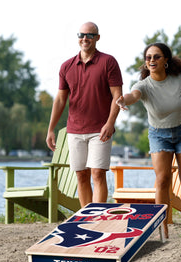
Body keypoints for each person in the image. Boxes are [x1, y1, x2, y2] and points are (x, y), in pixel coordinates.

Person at [116, 43, 181, 238]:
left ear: (165, 60)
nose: (152, 60)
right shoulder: (143, 85)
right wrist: (123, 100)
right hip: (159, 135)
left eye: (156, 57)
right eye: (148, 58)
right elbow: (133, 96)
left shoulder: (179, 80)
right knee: (162, 179)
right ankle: (162, 227)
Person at [46, 22, 123, 208]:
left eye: (90, 35)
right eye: (81, 34)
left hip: (100, 129)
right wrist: (50, 130)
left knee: (97, 173)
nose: (85, 38)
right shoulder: (67, 66)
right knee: (81, 175)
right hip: (75, 130)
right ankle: (86, 219)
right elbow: (60, 100)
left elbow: (117, 96)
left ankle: (98, 217)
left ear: (97, 37)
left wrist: (110, 123)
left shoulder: (108, 62)